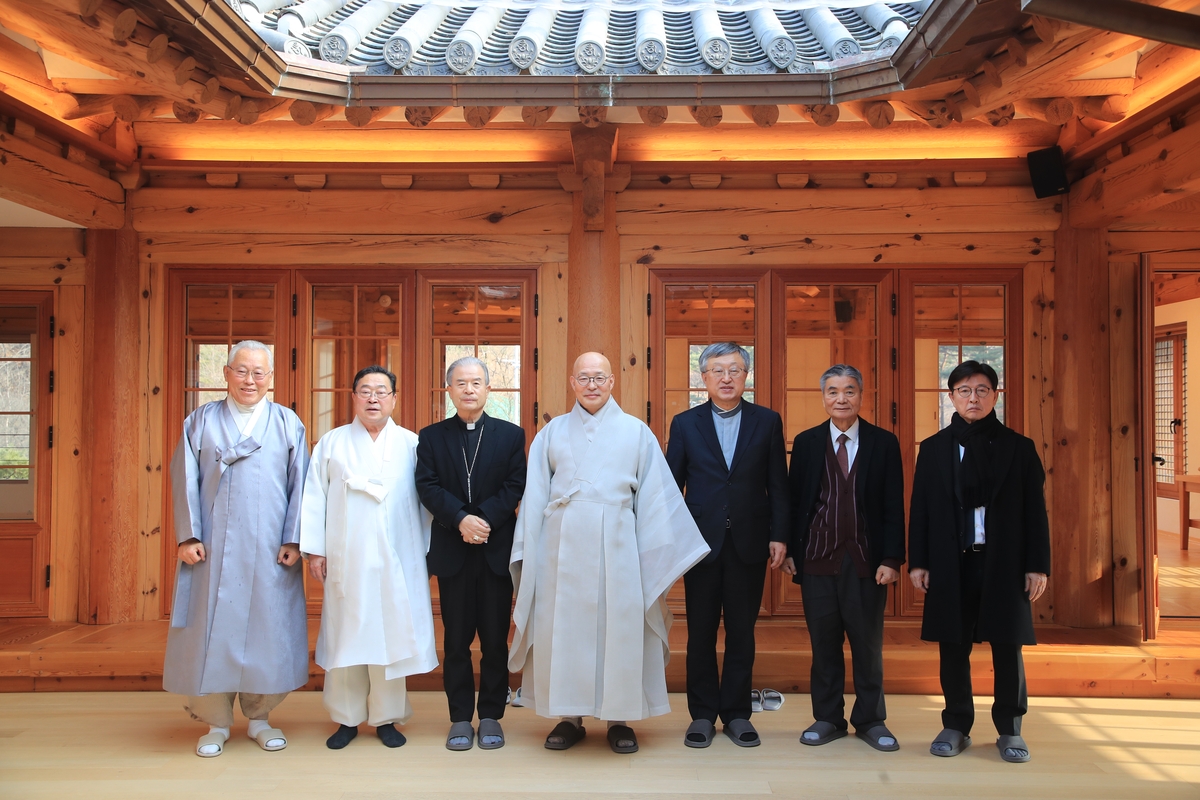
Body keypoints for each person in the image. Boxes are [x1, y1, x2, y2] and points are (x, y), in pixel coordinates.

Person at [509, 352, 709, 754]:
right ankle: (569, 715)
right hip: (560, 546)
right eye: (584, 377)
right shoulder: (550, 434)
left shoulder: (637, 433)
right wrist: (529, 550)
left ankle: (620, 718)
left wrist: (651, 557)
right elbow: (534, 499)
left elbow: (654, 499)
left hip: (619, 544)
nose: (592, 384)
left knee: (619, 629)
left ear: (613, 381)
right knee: (563, 629)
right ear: (572, 382)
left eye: (599, 377)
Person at [164, 340, 309, 758]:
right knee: (210, 626)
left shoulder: (286, 422)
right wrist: (188, 536)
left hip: (270, 549)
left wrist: (293, 539)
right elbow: (184, 479)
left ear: (272, 378)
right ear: (226, 373)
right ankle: (215, 723)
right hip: (211, 546)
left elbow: (302, 486)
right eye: (242, 370)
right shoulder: (201, 421)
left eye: (259, 372)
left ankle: (261, 718)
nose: (250, 379)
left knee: (269, 627)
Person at [908, 360, 1050, 763]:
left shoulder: (1018, 448)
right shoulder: (934, 448)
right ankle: (956, 724)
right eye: (965, 390)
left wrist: (1037, 564)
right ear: (951, 396)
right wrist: (918, 561)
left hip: (1004, 561)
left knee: (1008, 646)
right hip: (951, 562)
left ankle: (1010, 729)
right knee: (953, 645)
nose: (973, 397)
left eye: (982, 390)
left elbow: (1035, 512)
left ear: (995, 396)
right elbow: (921, 510)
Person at [300, 365, 437, 750]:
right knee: (347, 633)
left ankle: (387, 717)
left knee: (390, 635)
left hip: (398, 557)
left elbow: (426, 505)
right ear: (354, 397)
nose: (373, 398)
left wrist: (423, 554)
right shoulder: (331, 443)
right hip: (348, 557)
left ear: (394, 397)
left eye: (381, 391)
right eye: (365, 391)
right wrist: (315, 550)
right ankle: (345, 717)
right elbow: (315, 499)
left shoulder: (411, 444)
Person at [665, 342, 788, 749]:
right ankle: (701, 714)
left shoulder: (767, 421)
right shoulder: (684, 424)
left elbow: (778, 485)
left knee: (741, 632)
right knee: (699, 632)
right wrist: (671, 541)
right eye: (717, 370)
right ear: (703, 379)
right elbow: (670, 487)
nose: (726, 377)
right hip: (700, 546)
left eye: (735, 369)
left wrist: (780, 535)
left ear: (746, 375)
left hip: (750, 543)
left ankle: (736, 713)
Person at [784, 364, 905, 752]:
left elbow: (892, 506)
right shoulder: (805, 443)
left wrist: (892, 558)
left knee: (867, 645)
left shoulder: (883, 443)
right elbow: (793, 501)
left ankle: (871, 719)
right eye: (833, 391)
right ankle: (828, 718)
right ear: (823, 398)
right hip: (817, 558)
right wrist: (788, 547)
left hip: (867, 562)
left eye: (849, 391)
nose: (841, 399)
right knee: (824, 644)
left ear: (860, 396)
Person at [416, 356, 527, 751]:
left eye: (476, 382)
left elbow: (515, 486)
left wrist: (483, 522)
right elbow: (426, 486)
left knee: (496, 640)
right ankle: (461, 717)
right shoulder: (430, 437)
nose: (468, 389)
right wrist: (461, 520)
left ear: (487, 389)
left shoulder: (511, 436)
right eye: (460, 383)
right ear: (449, 389)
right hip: (452, 550)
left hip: (495, 551)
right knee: (458, 641)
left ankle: (493, 715)